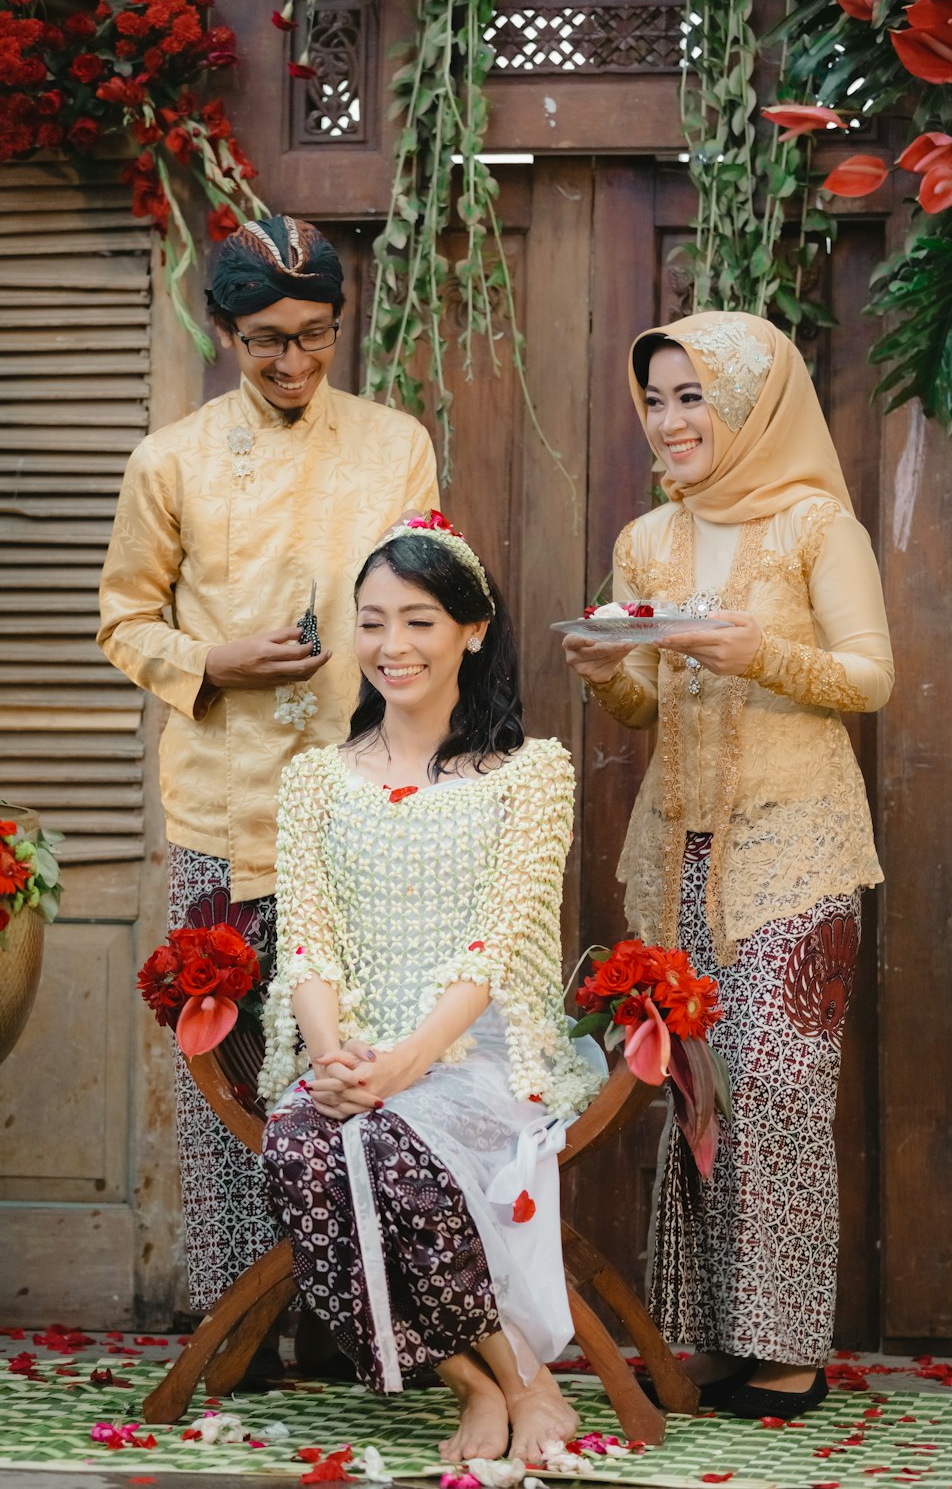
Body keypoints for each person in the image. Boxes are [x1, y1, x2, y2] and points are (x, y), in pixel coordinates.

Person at [97, 215, 438, 1338]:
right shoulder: (172, 459)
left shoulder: (395, 445)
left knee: (354, 1060)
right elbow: (123, 621)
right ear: (225, 333)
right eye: (263, 344)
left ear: (339, 326)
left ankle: (357, 1325)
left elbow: (432, 595)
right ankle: (235, 1328)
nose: (291, 365)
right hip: (221, 802)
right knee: (227, 1076)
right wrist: (213, 661)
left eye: (312, 337)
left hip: (363, 800)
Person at [562, 312, 893, 1420]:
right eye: (654, 398)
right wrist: (608, 670)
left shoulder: (815, 528)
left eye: (691, 396)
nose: (668, 420)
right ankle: (709, 1333)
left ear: (749, 402)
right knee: (692, 1089)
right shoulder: (645, 542)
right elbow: (649, 705)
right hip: (678, 856)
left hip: (798, 845)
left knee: (781, 1089)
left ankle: (787, 1347)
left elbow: (869, 678)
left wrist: (761, 652)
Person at [259, 515, 603, 1460]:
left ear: (472, 629)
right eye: (372, 622)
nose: (391, 646)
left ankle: (525, 1387)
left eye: (418, 620)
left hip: (483, 1051)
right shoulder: (315, 781)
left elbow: (496, 945)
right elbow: (310, 944)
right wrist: (333, 1059)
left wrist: (405, 1064)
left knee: (392, 1149)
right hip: (355, 1050)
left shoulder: (530, 775)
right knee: (298, 1146)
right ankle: (481, 1384)